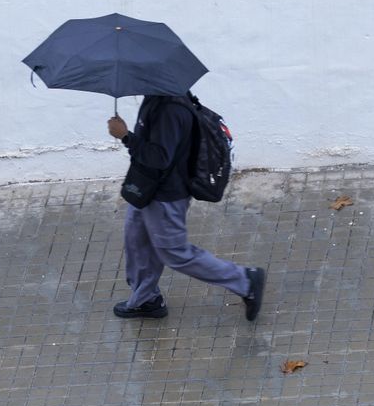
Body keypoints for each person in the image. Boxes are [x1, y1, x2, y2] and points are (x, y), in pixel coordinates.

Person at [107, 95, 266, 320]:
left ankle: (244, 280)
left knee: (175, 252)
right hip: (146, 186)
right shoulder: (157, 96)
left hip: (166, 196)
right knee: (137, 238)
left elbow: (160, 158)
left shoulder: (170, 110)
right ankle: (146, 299)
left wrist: (125, 136)